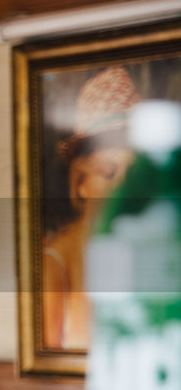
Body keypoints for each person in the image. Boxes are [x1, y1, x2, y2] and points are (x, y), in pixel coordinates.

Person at [41, 65, 139, 350]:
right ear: (81, 183)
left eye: (132, 175)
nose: (123, 190)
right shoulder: (55, 263)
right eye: (108, 173)